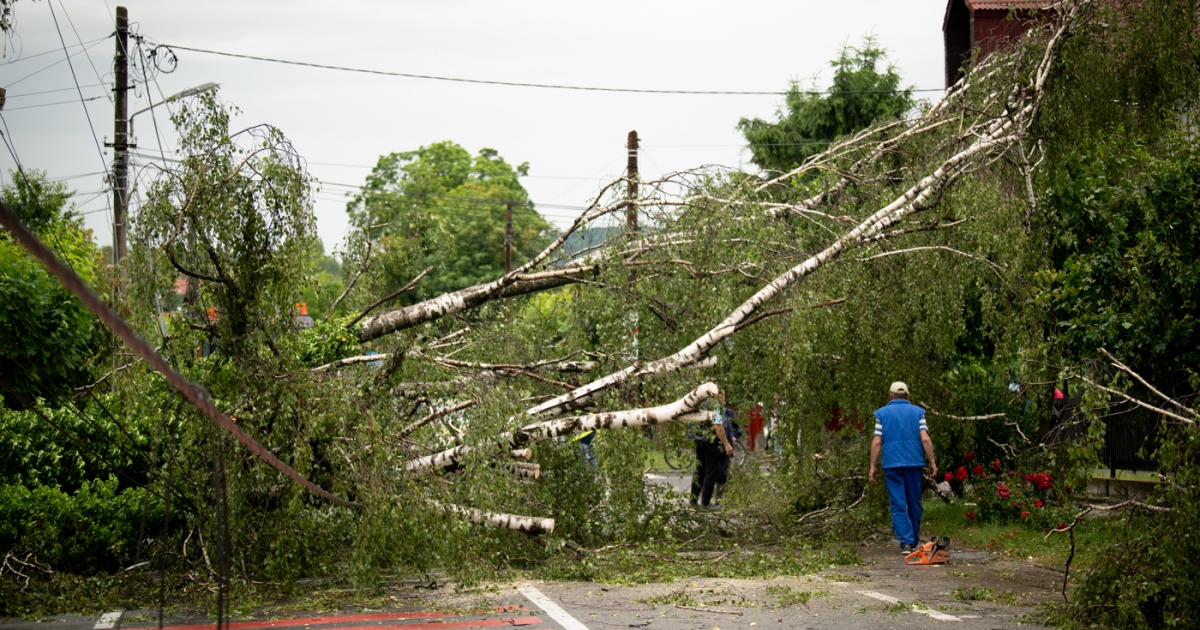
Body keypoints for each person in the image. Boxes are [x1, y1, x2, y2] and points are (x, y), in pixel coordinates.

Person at [868, 381, 937, 554]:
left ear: (890, 395)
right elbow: (925, 438)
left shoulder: (882, 414)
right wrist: (932, 462)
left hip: (892, 464)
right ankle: (912, 539)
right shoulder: (918, 413)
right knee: (914, 502)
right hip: (914, 463)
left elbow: (877, 441)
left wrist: (872, 466)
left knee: (898, 503)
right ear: (907, 395)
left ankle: (906, 543)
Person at [690, 392, 735, 511]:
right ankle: (705, 503)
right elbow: (718, 426)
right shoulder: (716, 406)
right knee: (711, 472)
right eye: (722, 395)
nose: (724, 398)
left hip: (698, 440)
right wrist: (726, 444)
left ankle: (693, 500)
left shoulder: (700, 404)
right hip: (711, 442)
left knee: (699, 471)